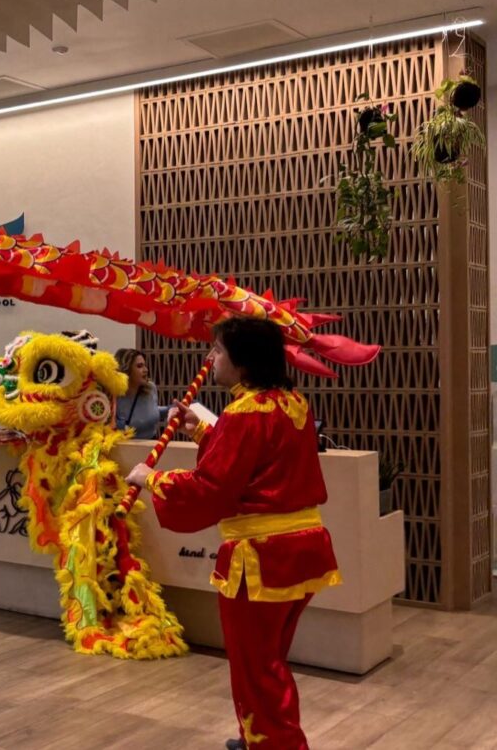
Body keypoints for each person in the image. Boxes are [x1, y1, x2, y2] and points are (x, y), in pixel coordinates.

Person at [126, 318, 340, 750]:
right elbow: (258, 459)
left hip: (261, 558)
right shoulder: (292, 402)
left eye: (219, 351)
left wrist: (151, 479)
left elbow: (213, 488)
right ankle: (260, 735)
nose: (211, 359)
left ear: (242, 365)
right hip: (302, 549)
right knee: (269, 660)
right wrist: (202, 429)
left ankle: (275, 744)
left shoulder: (243, 413)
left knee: (255, 665)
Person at [113, 348, 167, 439]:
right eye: (139, 366)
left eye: (145, 365)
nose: (145, 370)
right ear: (126, 370)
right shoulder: (113, 394)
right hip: (125, 448)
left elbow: (151, 412)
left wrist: (171, 409)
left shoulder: (150, 388)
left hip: (152, 445)